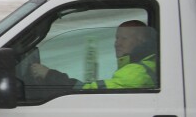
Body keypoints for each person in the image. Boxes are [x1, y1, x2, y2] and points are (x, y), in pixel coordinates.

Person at [28, 20, 158, 90]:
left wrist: (49, 74)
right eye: (116, 38)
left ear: (141, 41)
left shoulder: (136, 72)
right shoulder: (143, 66)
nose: (117, 43)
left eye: (124, 38)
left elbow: (87, 91)